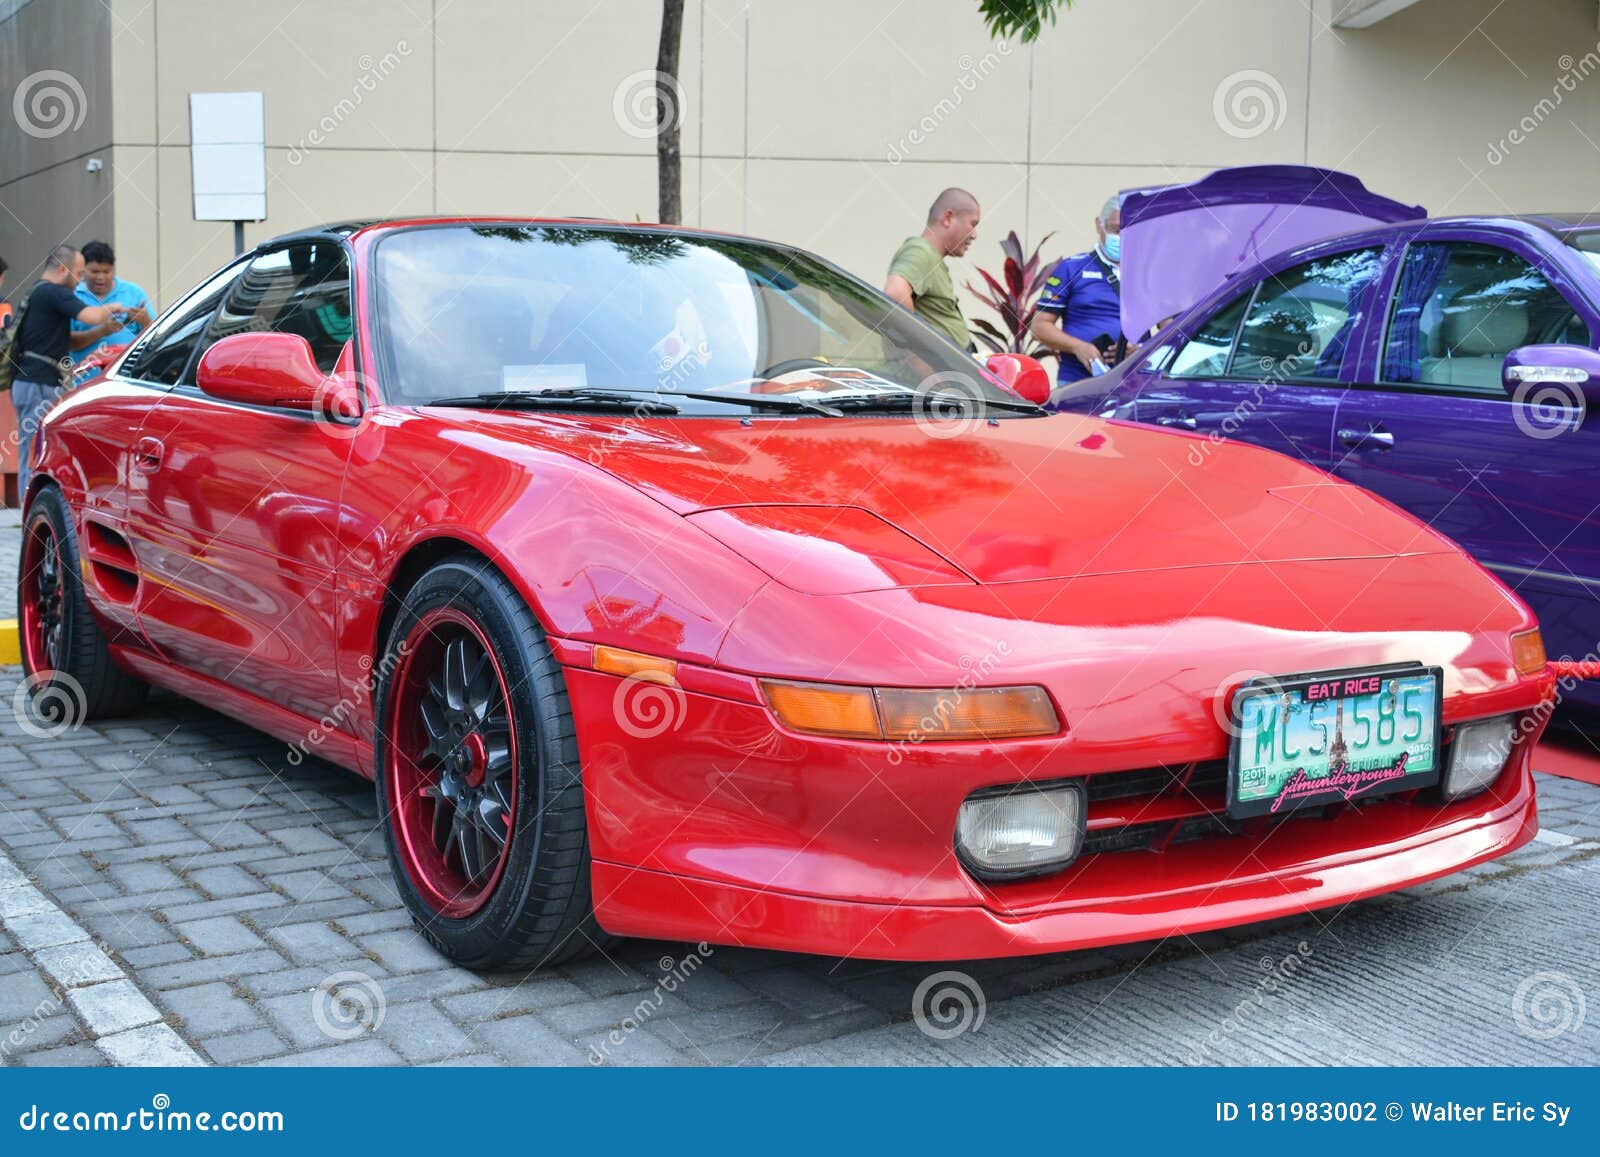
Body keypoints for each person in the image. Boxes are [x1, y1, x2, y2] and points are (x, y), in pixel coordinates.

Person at [8, 245, 127, 494]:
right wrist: (115, 307)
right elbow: (91, 316)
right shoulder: (55, 292)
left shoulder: (38, 293)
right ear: (63, 270)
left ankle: (33, 507)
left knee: (35, 447)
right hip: (39, 383)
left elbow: (67, 341)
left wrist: (103, 332)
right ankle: (30, 512)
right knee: (34, 450)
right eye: (79, 273)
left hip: (31, 382)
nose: (81, 280)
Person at [1030, 194, 1129, 390]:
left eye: (1127, 231)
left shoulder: (1147, 273)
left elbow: (1172, 326)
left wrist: (1141, 351)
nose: (1120, 237)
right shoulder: (1072, 268)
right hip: (1078, 383)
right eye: (1114, 230)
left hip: (1133, 383)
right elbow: (1039, 326)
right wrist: (1079, 347)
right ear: (1098, 225)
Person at [885, 187, 980, 351]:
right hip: (926, 375)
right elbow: (895, 293)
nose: (974, 235)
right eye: (972, 224)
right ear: (948, 218)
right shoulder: (920, 251)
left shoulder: (931, 257)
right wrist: (920, 360)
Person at [69, 240, 152, 363]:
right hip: (85, 379)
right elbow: (68, 342)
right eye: (94, 272)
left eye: (106, 271)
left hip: (125, 377)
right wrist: (102, 331)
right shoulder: (72, 295)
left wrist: (144, 320)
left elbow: (156, 335)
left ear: (113, 269)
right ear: (83, 270)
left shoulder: (134, 292)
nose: (101, 277)